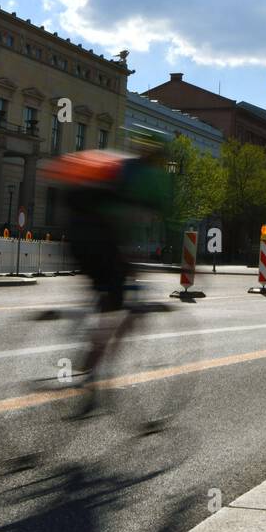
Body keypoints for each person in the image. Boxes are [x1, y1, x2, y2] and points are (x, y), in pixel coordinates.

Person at [41, 143, 174, 411]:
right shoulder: (147, 180)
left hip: (75, 234)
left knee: (102, 294)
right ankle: (91, 368)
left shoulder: (117, 166)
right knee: (118, 304)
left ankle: (82, 341)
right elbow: (138, 222)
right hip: (100, 238)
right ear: (159, 163)